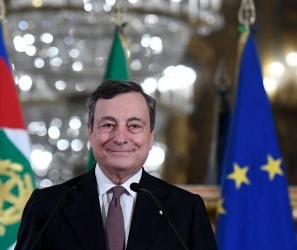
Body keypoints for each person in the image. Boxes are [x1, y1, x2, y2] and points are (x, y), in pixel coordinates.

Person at [15, 80, 217, 250]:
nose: (120, 138)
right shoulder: (47, 206)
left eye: (134, 126)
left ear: (150, 136)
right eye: (108, 125)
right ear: (90, 133)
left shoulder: (186, 210)